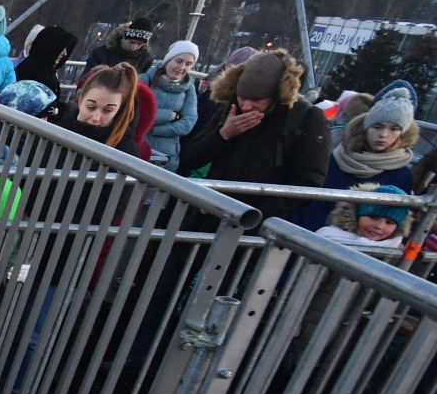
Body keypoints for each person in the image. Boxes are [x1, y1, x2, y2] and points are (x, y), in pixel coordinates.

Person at [179, 48, 331, 215]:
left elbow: (308, 183)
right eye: (242, 97)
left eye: (256, 99)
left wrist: (256, 214)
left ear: (276, 95)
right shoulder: (232, 106)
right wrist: (223, 135)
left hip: (256, 224)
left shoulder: (306, 117)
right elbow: (189, 158)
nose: (246, 106)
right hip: (210, 212)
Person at [292, 82, 420, 230]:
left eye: (394, 129)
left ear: (402, 134)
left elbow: (394, 224)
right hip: (305, 237)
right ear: (366, 127)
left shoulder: (401, 176)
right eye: (377, 127)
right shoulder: (335, 158)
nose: (383, 135)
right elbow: (306, 200)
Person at [57, 64, 148, 159]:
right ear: (80, 101)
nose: (96, 118)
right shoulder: (54, 133)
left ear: (118, 111)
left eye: (108, 110)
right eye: (91, 107)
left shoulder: (125, 151)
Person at [143, 41, 201, 170]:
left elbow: (188, 123)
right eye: (179, 61)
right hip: (139, 149)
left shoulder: (189, 88)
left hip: (167, 157)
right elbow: (137, 114)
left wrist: (155, 129)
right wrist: (170, 115)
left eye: (188, 64)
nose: (182, 67)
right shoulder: (145, 80)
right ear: (168, 59)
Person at [315, 186, 409, 250]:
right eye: (373, 217)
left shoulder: (397, 252)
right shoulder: (327, 237)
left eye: (389, 222)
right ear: (357, 214)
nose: (379, 226)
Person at [12, 26, 77, 101]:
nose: (65, 53)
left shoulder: (48, 72)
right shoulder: (32, 72)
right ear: (51, 47)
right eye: (61, 47)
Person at [87, 17, 154, 73]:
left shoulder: (145, 59)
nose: (135, 47)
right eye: (132, 42)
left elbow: (144, 85)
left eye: (140, 44)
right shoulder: (100, 53)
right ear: (123, 37)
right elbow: (85, 79)